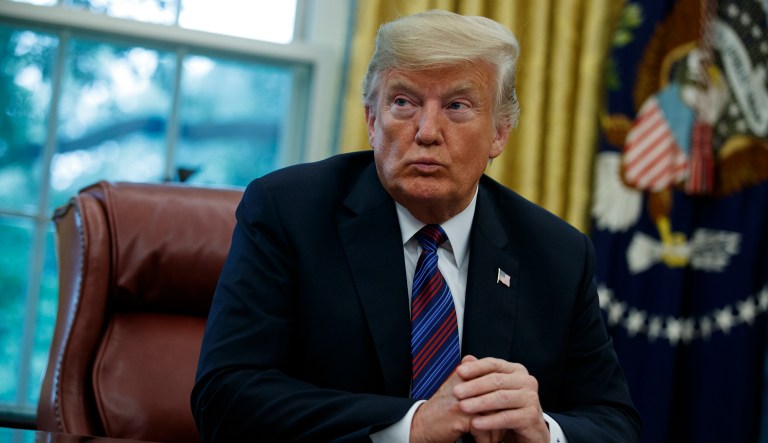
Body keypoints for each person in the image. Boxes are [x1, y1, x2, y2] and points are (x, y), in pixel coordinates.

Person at [191, 9, 641, 443]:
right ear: (372, 120)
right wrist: (414, 426)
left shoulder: (558, 253)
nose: (427, 130)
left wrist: (543, 432)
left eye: (457, 106)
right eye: (403, 102)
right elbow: (225, 396)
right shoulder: (287, 212)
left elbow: (614, 421)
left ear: (499, 133)